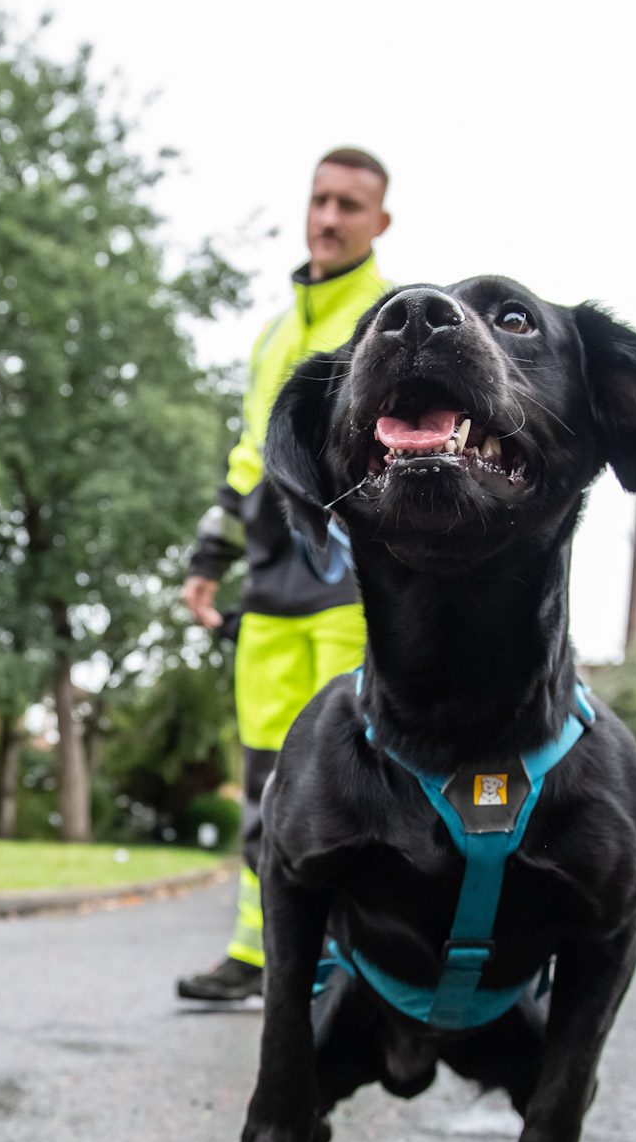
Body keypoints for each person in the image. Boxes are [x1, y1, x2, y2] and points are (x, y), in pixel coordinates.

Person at [176, 147, 392, 1004]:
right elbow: (245, 456)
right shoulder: (273, 334)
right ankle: (258, 951)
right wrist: (207, 560)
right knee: (265, 774)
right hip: (269, 595)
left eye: (350, 204)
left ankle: (350, 961)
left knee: (353, 774)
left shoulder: (391, 318)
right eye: (320, 200)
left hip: (353, 590)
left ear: (380, 223)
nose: (330, 218)